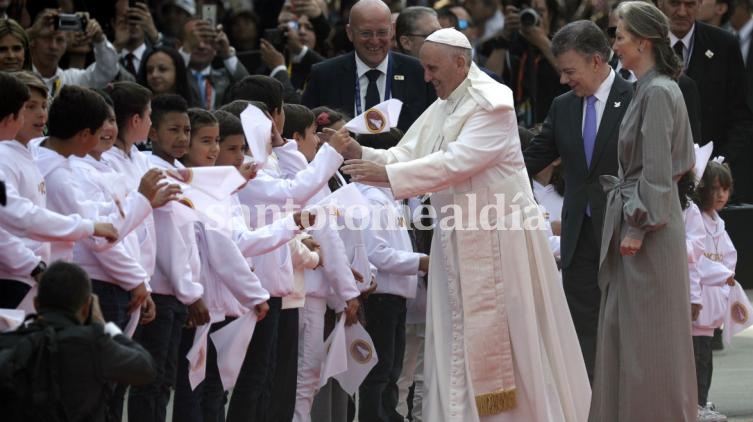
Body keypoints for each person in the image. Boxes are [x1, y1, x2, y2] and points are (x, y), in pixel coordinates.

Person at [338, 27, 590, 421]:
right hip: (456, 236)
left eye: (432, 67)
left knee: (513, 336)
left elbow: (457, 162)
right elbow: (410, 150)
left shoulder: (493, 103)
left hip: (500, 238)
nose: (426, 77)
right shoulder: (447, 101)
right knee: (454, 336)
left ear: (460, 62)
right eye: (423, 68)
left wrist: (386, 176)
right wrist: (364, 152)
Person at [590, 2, 697, 420]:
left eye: (619, 35)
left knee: (648, 340)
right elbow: (678, 161)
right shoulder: (652, 87)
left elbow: (659, 167)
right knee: (632, 334)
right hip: (645, 219)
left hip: (648, 228)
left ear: (643, 41)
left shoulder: (656, 91)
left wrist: (637, 225)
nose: (614, 44)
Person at [523, 20, 633, 382]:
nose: (563, 80)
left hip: (624, 235)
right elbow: (531, 159)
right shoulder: (563, 106)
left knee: (626, 325)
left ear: (597, 61)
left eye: (569, 71)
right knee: (582, 327)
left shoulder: (637, 100)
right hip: (578, 237)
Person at [4, 261, 157, 421]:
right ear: (87, 306)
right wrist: (105, 326)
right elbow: (146, 368)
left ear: (36, 303)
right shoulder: (94, 344)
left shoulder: (12, 341)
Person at [657, 0, 753, 203]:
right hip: (658, 179)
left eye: (690, 4)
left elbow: (742, 117)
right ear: (659, 3)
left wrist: (719, 164)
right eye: (675, 3)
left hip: (712, 183)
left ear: (700, 4)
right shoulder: (647, 43)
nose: (682, 12)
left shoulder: (724, 44)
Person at [301, 0, 435, 136]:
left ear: (392, 30)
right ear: (350, 33)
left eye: (382, 32)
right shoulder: (324, 75)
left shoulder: (419, 72)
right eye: (366, 33)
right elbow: (305, 131)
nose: (375, 40)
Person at [693, 160, 736, 422]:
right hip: (698, 304)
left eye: (725, 189)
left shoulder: (718, 222)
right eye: (715, 189)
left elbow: (728, 256)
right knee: (697, 357)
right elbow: (698, 260)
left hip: (712, 306)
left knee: (705, 357)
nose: (721, 195)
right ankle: (695, 403)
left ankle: (700, 400)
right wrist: (722, 274)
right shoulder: (696, 219)